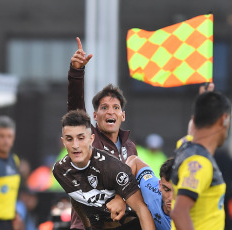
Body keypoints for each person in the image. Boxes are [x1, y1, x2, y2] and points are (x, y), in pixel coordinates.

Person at [66, 37, 138, 229]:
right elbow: (75, 109)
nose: (110, 111)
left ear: (122, 115)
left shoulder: (130, 147)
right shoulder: (88, 139)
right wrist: (76, 72)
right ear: (95, 115)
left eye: (115, 107)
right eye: (104, 107)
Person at [52, 109, 155, 230]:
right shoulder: (59, 170)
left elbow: (141, 209)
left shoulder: (112, 167)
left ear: (91, 139)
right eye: (69, 139)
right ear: (63, 142)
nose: (75, 145)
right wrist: (87, 227)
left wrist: (120, 198)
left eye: (81, 138)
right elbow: (76, 197)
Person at [170, 91, 231, 230]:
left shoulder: (185, 146)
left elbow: (192, 134)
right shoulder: (199, 163)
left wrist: (205, 101)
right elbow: (179, 212)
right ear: (224, 119)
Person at [126, 155, 173, 230]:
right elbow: (134, 161)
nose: (171, 197)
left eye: (177, 192)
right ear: (160, 185)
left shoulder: (193, 218)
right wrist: (119, 197)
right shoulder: (151, 188)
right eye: (167, 189)